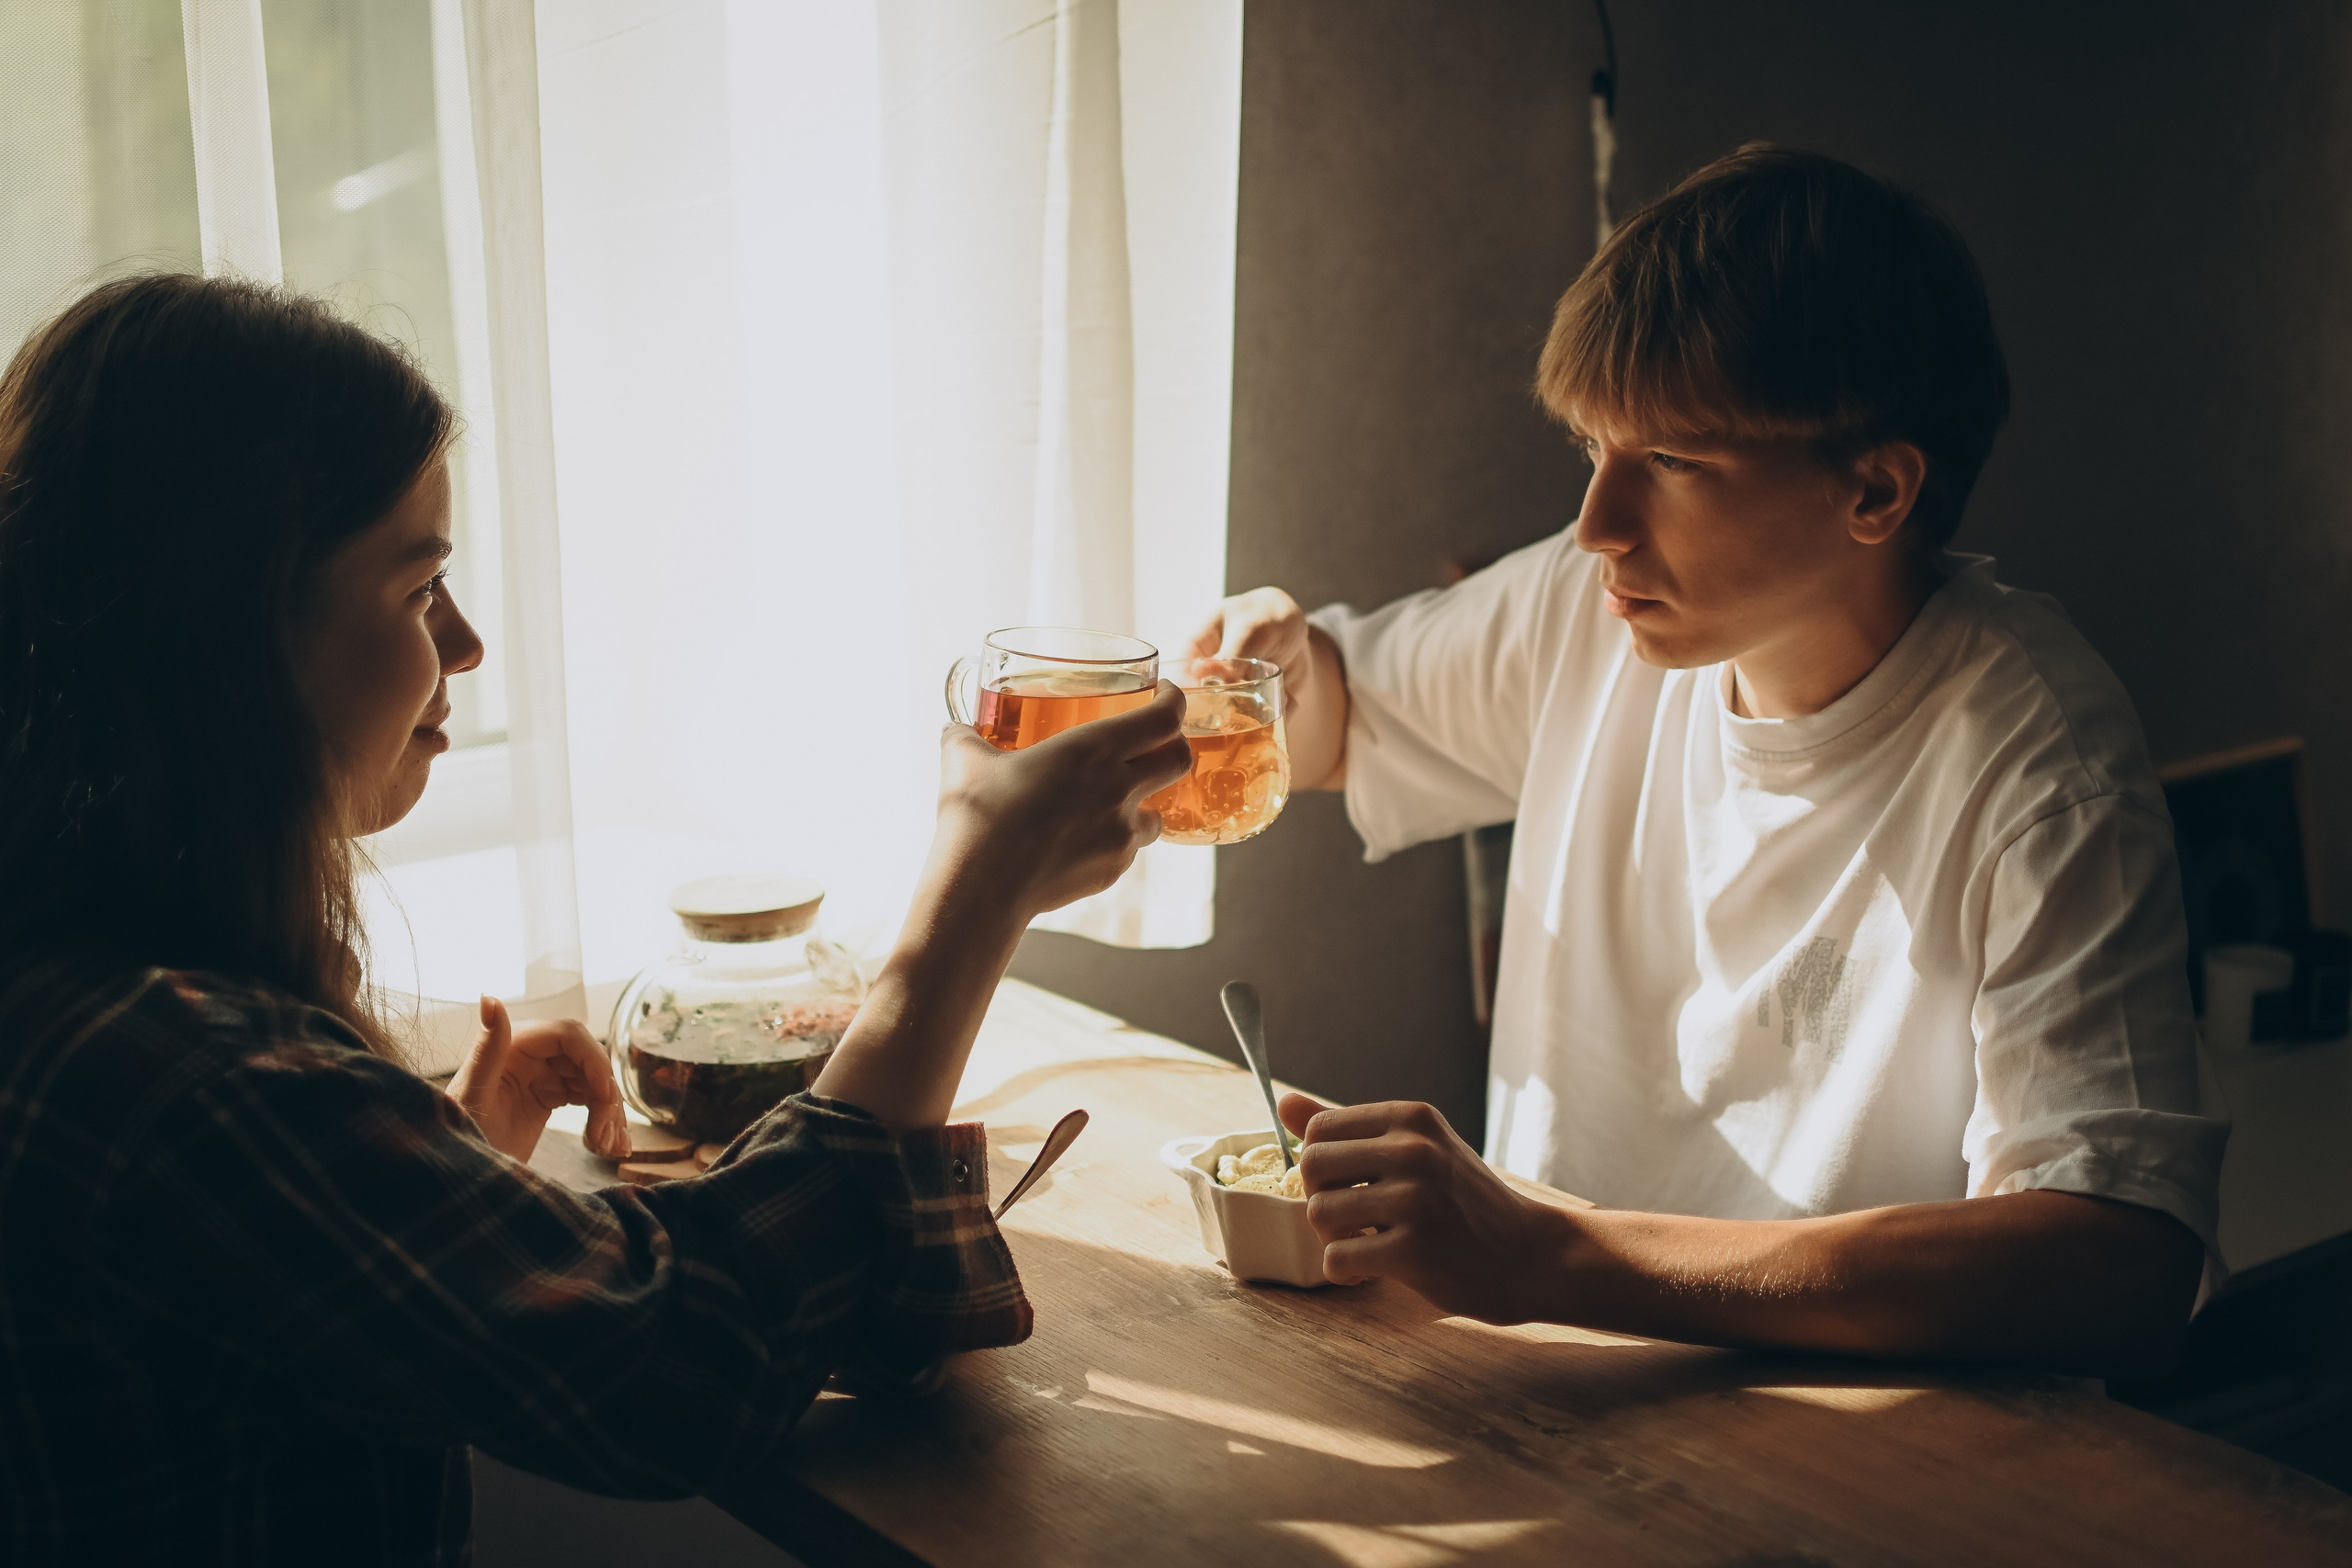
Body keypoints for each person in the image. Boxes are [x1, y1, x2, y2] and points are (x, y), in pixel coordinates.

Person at [0, 275, 1190, 1565]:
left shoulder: (85, 995)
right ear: (227, 635)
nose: (464, 647)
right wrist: (974, 896)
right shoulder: (197, 1079)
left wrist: (426, 1175)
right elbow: (684, 1377)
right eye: (415, 591)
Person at [1194, 145, 2225, 1381]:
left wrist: (1557, 1256)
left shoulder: (2037, 762)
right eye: (1594, 450)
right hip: (1556, 1403)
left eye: (1674, 463)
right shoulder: (1597, 608)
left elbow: (2119, 1256)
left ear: (1878, 490)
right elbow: (1348, 724)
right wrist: (1284, 669)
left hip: (1865, 1469)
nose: (1597, 526)